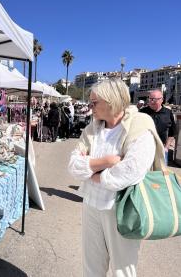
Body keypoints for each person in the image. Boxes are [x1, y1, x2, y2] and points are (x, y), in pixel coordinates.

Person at [68, 78, 164, 277]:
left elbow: (130, 171)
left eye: (94, 102)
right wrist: (107, 162)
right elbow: (73, 166)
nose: (90, 107)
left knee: (123, 270)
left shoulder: (140, 125)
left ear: (111, 101)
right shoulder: (92, 129)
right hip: (91, 205)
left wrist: (92, 174)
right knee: (91, 268)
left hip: (122, 208)